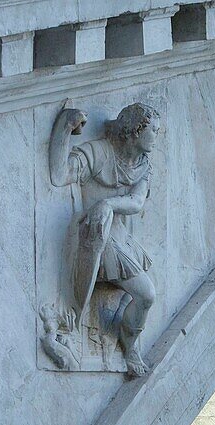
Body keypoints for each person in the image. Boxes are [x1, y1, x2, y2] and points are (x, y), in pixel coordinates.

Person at [49, 102, 161, 376]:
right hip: (97, 236)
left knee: (143, 299)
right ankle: (127, 343)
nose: (157, 136)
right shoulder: (98, 152)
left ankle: (129, 343)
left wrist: (109, 204)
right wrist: (64, 129)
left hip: (121, 237)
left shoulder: (143, 165)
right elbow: (59, 175)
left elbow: (136, 202)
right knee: (147, 294)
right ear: (135, 131)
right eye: (153, 130)